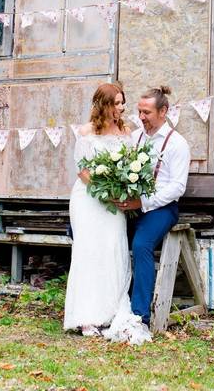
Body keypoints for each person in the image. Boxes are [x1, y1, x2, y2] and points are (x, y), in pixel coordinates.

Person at [62, 83, 151, 345]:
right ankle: (87, 317)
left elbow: (131, 165)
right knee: (89, 253)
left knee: (114, 249)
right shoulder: (86, 131)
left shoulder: (127, 131)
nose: (121, 108)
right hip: (88, 199)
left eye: (123, 103)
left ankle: (111, 311)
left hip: (115, 202)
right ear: (104, 105)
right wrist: (104, 190)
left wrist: (121, 191)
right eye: (117, 103)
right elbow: (82, 170)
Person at [116, 85, 190, 330]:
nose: (141, 117)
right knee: (109, 237)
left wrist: (143, 202)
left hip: (162, 209)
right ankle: (113, 305)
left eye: (146, 112)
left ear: (163, 111)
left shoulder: (177, 143)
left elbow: (177, 187)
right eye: (139, 112)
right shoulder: (135, 137)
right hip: (133, 205)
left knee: (141, 245)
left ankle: (140, 316)